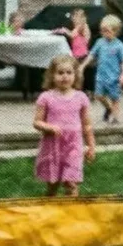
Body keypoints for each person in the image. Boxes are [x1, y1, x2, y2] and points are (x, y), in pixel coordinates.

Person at [33, 55, 96, 197]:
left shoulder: (81, 97)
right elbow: (37, 122)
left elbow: (87, 125)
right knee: (53, 184)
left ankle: (72, 212)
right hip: (53, 145)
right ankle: (50, 207)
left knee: (71, 182)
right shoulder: (46, 97)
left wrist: (91, 145)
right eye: (60, 73)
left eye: (69, 73)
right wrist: (48, 127)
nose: (65, 77)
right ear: (52, 75)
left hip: (73, 145)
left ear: (75, 75)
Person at [79, 15, 123, 124]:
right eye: (102, 31)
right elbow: (92, 55)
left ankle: (115, 118)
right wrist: (83, 65)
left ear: (115, 31)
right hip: (101, 76)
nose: (104, 33)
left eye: (107, 31)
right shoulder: (100, 42)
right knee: (99, 96)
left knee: (115, 98)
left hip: (114, 77)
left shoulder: (120, 46)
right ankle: (108, 108)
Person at [55, 8, 92, 93]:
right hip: (77, 53)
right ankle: (78, 88)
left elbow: (72, 35)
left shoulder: (82, 26)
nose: (74, 19)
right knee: (77, 71)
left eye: (76, 17)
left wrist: (65, 30)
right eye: (73, 17)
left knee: (78, 71)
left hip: (81, 54)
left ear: (81, 18)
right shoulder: (79, 27)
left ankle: (79, 88)